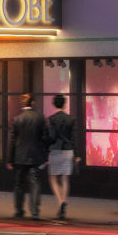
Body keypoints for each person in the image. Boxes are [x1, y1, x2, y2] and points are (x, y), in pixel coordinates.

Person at [8, 92, 50, 220]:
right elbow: (45, 138)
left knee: (19, 184)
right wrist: (45, 154)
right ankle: (35, 211)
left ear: (23, 104)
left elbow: (13, 141)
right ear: (33, 103)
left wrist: (10, 159)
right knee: (35, 183)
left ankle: (19, 211)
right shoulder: (40, 118)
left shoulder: (17, 119)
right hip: (35, 156)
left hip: (20, 157)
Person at [44, 94, 76, 222]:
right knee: (65, 178)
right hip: (68, 150)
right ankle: (64, 200)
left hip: (56, 150)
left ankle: (60, 201)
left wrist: (46, 145)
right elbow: (73, 138)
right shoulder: (70, 119)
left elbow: (51, 136)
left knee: (53, 178)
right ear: (64, 104)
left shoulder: (51, 119)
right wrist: (77, 154)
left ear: (54, 104)